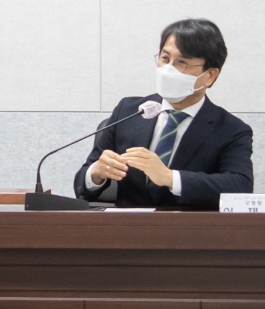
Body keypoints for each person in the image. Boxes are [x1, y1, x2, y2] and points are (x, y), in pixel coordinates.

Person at [75, 18, 254, 209]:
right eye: (165, 58)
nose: (168, 69)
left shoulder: (231, 130)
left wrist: (170, 178)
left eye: (182, 62)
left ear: (210, 75)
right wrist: (96, 173)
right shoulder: (128, 111)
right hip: (127, 225)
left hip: (187, 226)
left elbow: (240, 186)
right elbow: (83, 187)